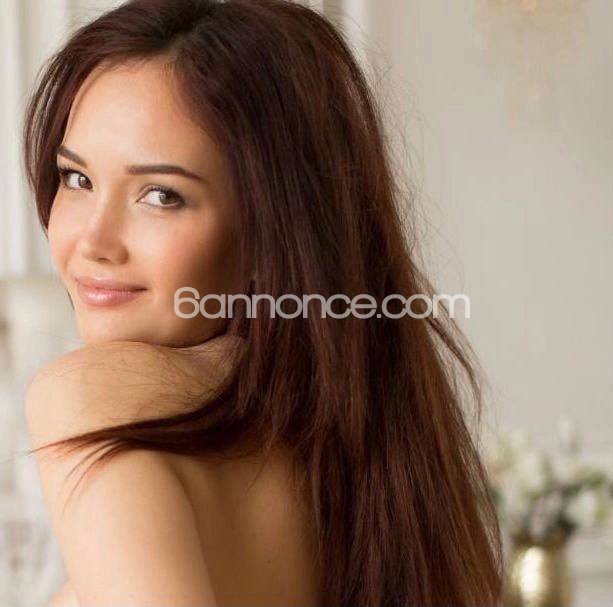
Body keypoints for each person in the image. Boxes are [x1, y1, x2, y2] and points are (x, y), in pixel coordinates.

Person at [22, 0, 504, 605]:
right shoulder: (377, 460)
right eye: (77, 179)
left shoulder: (90, 396)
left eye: (162, 196)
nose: (93, 242)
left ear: (271, 226)